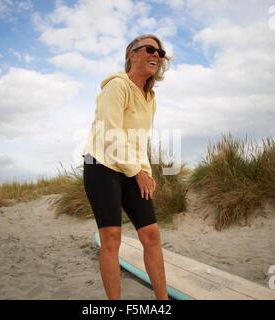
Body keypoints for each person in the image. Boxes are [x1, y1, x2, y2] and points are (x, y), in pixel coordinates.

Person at [81, 34, 170, 300]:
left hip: (130, 166)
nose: (157, 55)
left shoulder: (149, 96)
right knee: (111, 237)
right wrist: (137, 172)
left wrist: (147, 173)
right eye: (150, 49)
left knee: (151, 235)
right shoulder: (116, 86)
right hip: (101, 164)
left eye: (161, 52)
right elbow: (111, 133)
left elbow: (140, 140)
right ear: (132, 54)